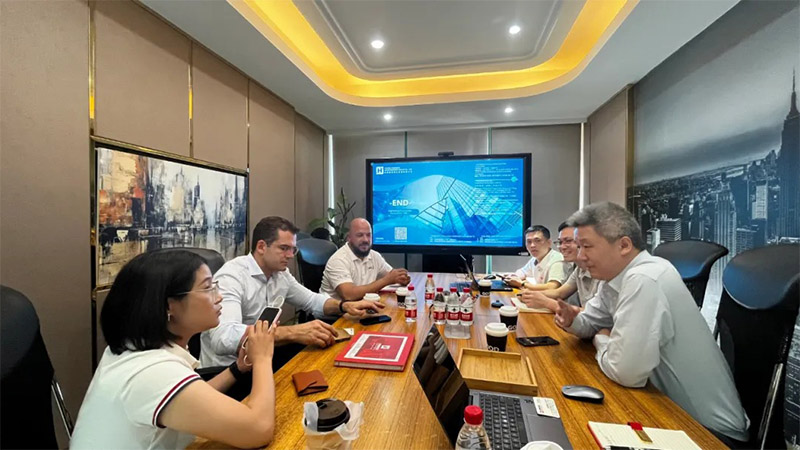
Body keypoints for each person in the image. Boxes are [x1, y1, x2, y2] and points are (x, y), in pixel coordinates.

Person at [554, 202, 749, 442]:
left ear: (624, 245)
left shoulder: (645, 279)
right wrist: (573, 320)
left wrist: (601, 340)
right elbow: (589, 322)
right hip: (666, 411)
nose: (580, 256)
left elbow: (625, 372)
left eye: (587, 246)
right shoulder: (614, 279)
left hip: (709, 434)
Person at [71, 251, 277, 449]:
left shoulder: (135, 348)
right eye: (208, 288)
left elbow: (192, 399)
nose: (219, 296)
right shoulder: (153, 371)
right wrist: (262, 357)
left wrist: (237, 369)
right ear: (170, 306)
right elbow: (259, 429)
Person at [200, 216, 383, 370]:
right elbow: (223, 337)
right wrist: (291, 332)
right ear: (262, 247)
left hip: (263, 360)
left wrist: (344, 306)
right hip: (229, 371)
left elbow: (312, 301)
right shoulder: (232, 276)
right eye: (283, 248)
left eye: (292, 249)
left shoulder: (281, 275)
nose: (290, 255)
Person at [320, 218, 411, 301]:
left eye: (368, 235)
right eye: (360, 235)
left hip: (362, 308)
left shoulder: (374, 256)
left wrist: (400, 279)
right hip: (337, 313)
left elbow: (391, 276)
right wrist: (386, 280)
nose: (366, 240)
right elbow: (349, 295)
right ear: (349, 238)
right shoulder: (339, 260)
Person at [518, 222, 599, 312]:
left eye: (568, 241)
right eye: (560, 242)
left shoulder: (604, 273)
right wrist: (530, 295)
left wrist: (546, 302)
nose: (562, 247)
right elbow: (559, 293)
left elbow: (595, 315)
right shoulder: (579, 269)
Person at [505, 225, 566, 291]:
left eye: (537, 241)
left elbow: (552, 287)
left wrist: (522, 284)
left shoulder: (557, 260)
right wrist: (514, 277)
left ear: (549, 243)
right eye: (529, 241)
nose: (532, 245)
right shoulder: (536, 258)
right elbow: (523, 271)